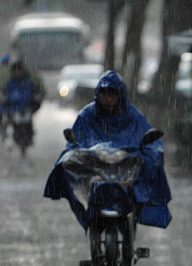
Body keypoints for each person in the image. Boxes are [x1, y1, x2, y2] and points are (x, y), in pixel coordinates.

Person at [43, 70, 171, 229]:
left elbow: (147, 138)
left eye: (112, 94)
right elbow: (76, 141)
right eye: (104, 93)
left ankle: (139, 209)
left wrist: (152, 150)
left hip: (124, 168)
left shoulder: (131, 115)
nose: (108, 98)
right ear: (98, 94)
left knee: (151, 165)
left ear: (120, 95)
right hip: (96, 167)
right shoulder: (87, 115)